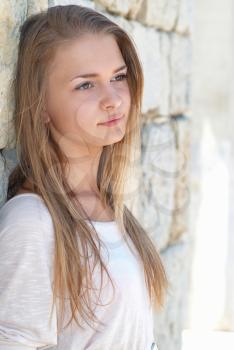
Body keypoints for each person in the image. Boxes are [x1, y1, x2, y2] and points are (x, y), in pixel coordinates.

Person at [0, 4, 168, 350]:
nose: (113, 100)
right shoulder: (33, 222)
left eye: (119, 77)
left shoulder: (109, 207)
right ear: (42, 105)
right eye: (85, 85)